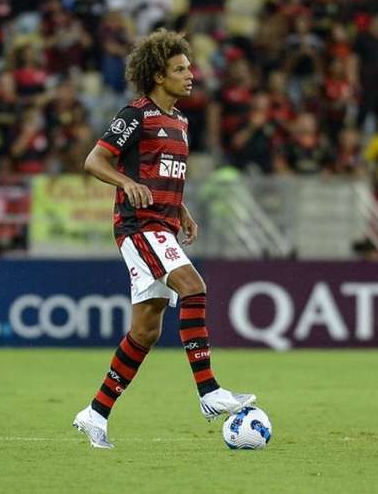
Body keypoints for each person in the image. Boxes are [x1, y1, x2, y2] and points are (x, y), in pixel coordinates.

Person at [74, 29, 255, 449]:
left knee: (145, 331)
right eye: (180, 69)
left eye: (189, 67)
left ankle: (94, 413)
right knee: (193, 287)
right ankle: (209, 392)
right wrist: (124, 181)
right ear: (158, 75)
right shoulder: (135, 115)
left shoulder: (180, 121)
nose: (190, 74)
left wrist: (183, 211)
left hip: (163, 224)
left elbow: (167, 176)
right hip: (139, 227)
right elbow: (94, 160)